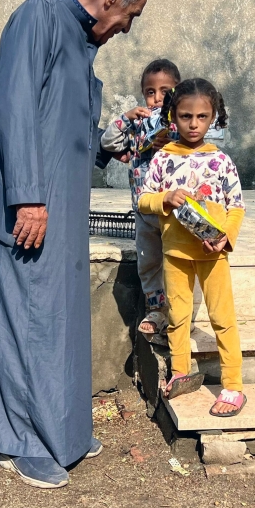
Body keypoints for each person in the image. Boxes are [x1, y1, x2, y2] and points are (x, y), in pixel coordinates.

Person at [0, 0, 150, 488]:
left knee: (56, 314)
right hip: (30, 206)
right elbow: (15, 108)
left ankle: (60, 427)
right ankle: (20, 440)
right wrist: (27, 197)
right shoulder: (39, 16)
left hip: (59, 206)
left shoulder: (80, 42)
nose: (125, 29)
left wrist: (109, 147)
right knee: (28, 315)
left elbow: (66, 128)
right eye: (130, 16)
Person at [138, 78, 247, 417]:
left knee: (222, 318)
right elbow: (143, 200)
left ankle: (233, 385)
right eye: (186, 116)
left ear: (213, 116)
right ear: (173, 116)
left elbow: (236, 207)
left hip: (212, 254)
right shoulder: (162, 159)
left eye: (202, 117)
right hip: (174, 253)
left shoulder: (221, 161)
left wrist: (225, 237)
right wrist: (164, 199)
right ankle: (180, 372)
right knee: (178, 317)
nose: (194, 124)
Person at [99, 59, 181, 343]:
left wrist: (169, 140)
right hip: (144, 210)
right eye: (150, 92)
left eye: (164, 91)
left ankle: (178, 311)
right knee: (149, 261)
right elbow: (109, 143)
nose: (157, 98)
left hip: (172, 211)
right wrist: (126, 118)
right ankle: (156, 309)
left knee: (176, 260)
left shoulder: (181, 123)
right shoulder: (136, 125)